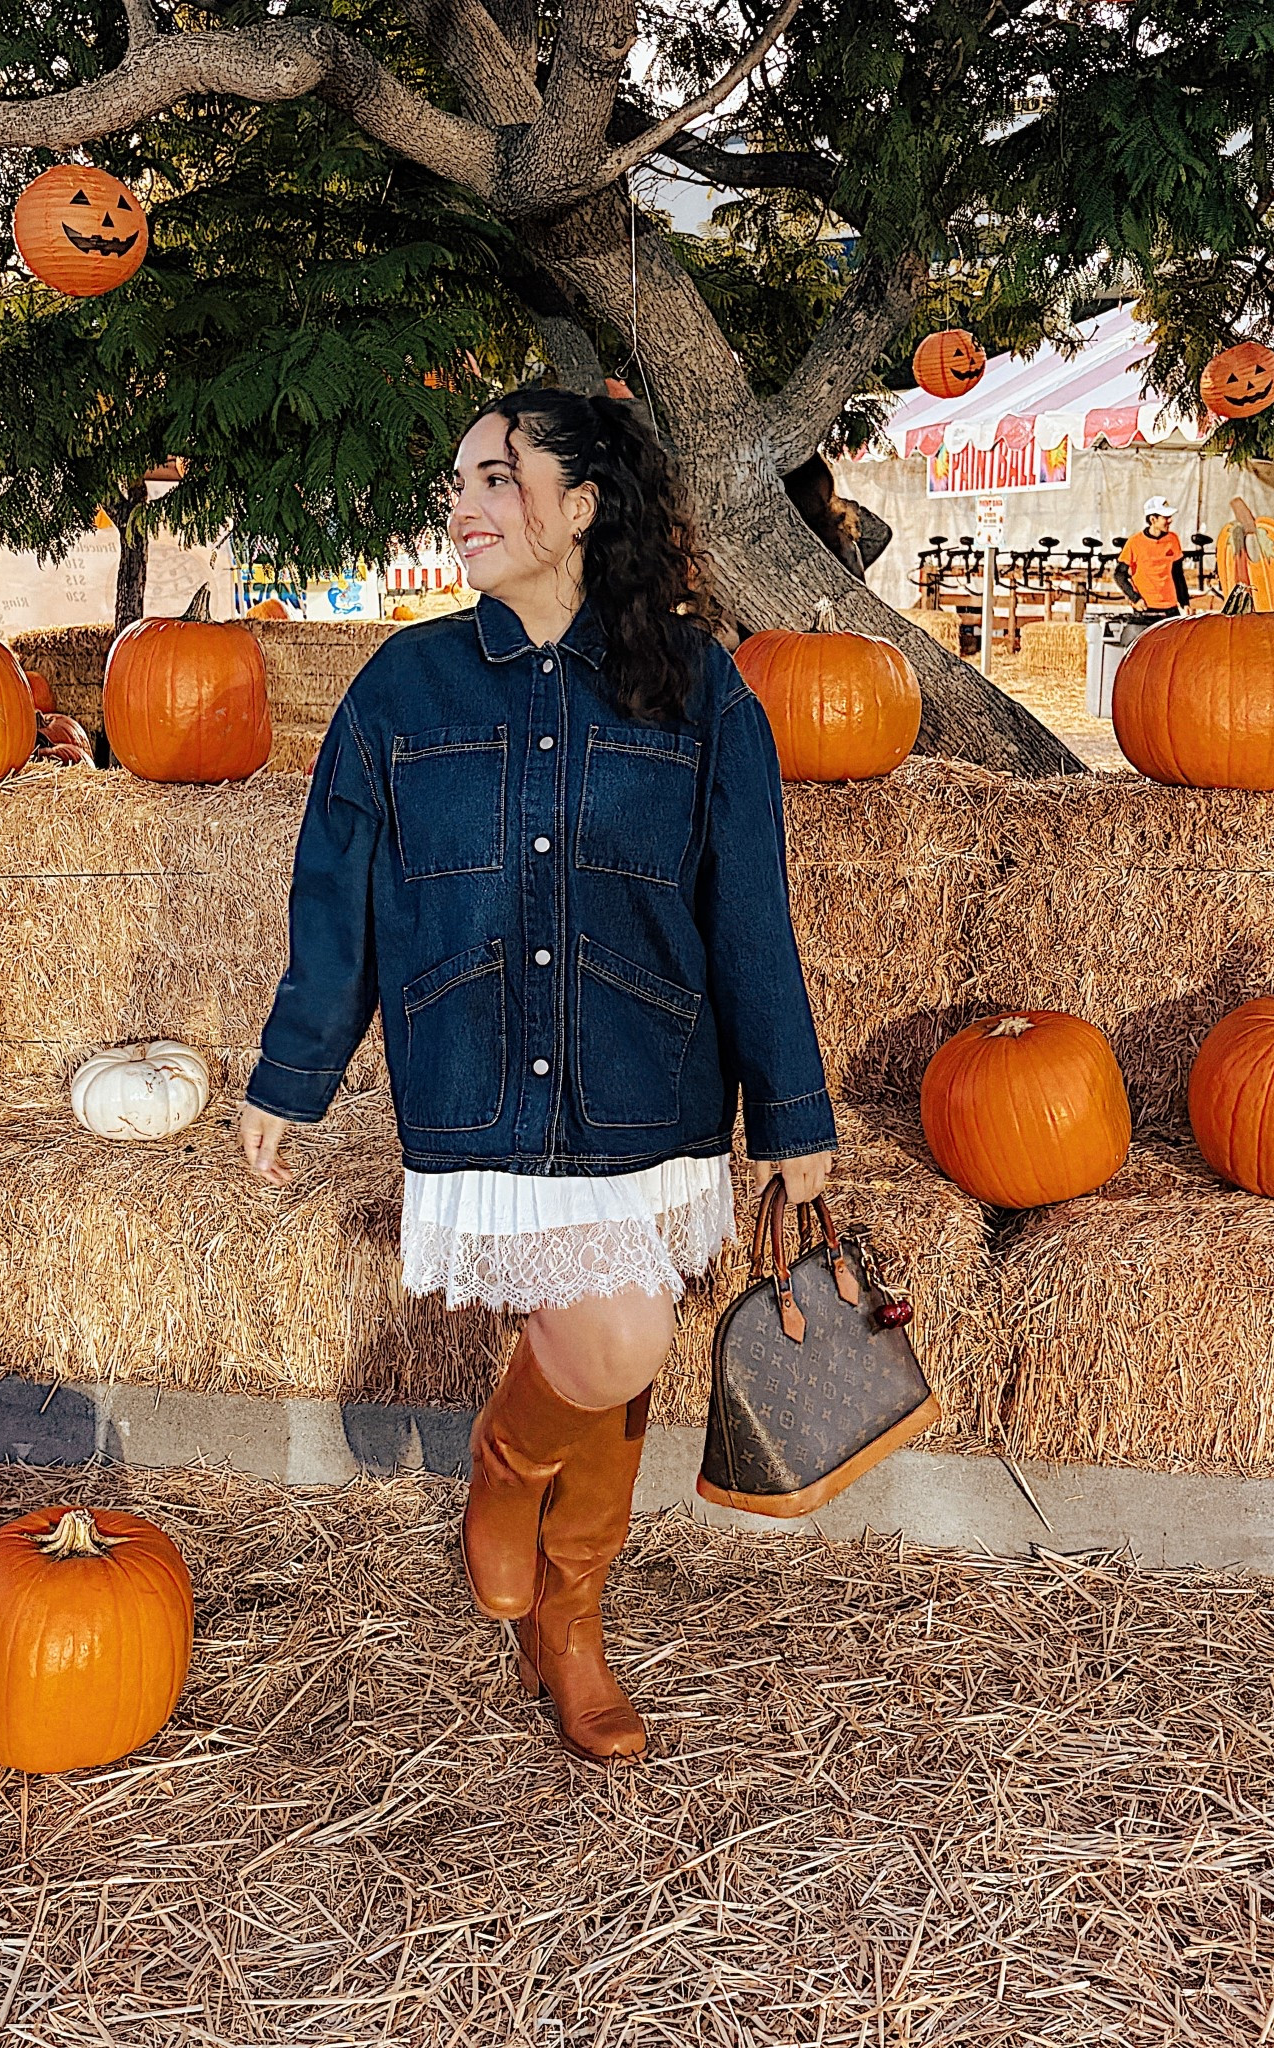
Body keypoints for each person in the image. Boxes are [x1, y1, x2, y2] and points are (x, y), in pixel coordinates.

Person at [237, 388, 835, 1765]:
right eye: (460, 480)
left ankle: (557, 1592)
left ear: (583, 506)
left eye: (499, 478)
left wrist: (792, 1111)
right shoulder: (405, 685)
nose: (466, 505)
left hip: (648, 1082)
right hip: (480, 1081)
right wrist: (293, 1070)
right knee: (613, 1345)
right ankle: (533, 1534)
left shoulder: (699, 686)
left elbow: (748, 910)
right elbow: (341, 895)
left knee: (616, 1350)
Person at [1114, 497, 1190, 617]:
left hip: (1170, 608)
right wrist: (1135, 599)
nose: (1170, 520)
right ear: (1153, 519)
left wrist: (1184, 601)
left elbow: (1178, 574)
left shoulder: (1173, 539)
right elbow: (1119, 575)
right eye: (1165, 517)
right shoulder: (1134, 542)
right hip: (1145, 609)